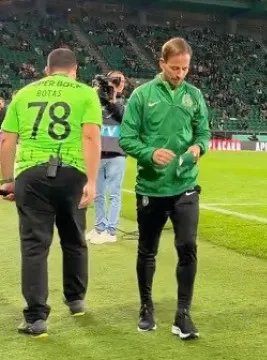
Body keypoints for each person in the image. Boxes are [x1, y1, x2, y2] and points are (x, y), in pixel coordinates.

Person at [0, 48, 102, 337]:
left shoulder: (23, 94)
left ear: (47, 70)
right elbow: (91, 136)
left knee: (34, 245)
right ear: (75, 70)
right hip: (72, 173)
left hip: (31, 175)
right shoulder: (85, 94)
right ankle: (76, 300)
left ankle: (36, 318)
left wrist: (8, 180)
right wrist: (92, 182)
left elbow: (7, 138)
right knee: (74, 238)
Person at [119, 37, 211, 340]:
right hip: (151, 186)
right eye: (175, 68)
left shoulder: (195, 95)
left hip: (185, 185)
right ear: (161, 64)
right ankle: (146, 307)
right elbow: (126, 138)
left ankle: (183, 314)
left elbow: (204, 133)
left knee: (187, 247)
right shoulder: (142, 96)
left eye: (185, 68)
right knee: (147, 250)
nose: (180, 74)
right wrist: (149, 153)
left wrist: (199, 148)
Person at [86, 70, 127, 244]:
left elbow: (124, 117)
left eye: (121, 81)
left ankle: (111, 231)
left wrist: (112, 99)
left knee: (114, 194)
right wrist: (97, 91)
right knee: (98, 194)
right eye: (115, 80)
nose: (119, 83)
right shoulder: (96, 101)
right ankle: (99, 227)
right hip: (98, 153)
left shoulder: (125, 104)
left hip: (117, 154)